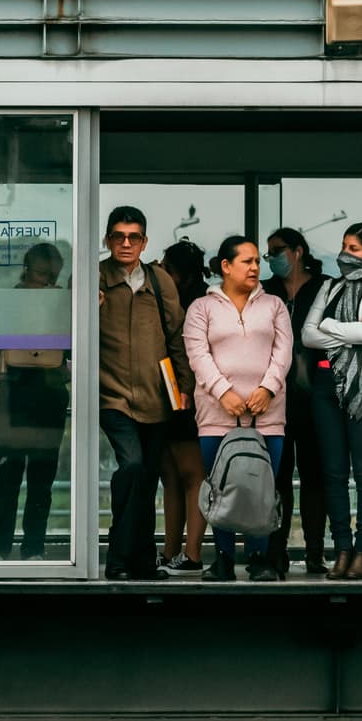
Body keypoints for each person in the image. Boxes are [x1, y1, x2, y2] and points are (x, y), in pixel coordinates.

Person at [183, 236, 292, 582]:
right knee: (222, 487)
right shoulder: (201, 308)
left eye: (257, 261)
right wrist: (223, 393)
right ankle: (224, 559)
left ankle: (259, 558)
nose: (255, 267)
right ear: (226, 266)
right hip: (217, 415)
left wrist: (268, 389)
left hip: (267, 415)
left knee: (261, 487)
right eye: (247, 261)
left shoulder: (274, 305)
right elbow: (197, 355)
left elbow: (283, 352)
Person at [301, 222, 362, 581]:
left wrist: (328, 326)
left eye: (354, 248)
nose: (346, 254)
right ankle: (341, 549)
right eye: (344, 246)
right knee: (333, 472)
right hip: (327, 386)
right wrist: (348, 333)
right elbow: (307, 335)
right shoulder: (329, 286)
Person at [98, 207, 193, 581]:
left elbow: (176, 337)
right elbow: (71, 336)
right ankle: (117, 559)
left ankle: (141, 562)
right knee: (132, 466)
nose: (126, 243)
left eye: (133, 237)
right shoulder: (93, 278)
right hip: (112, 395)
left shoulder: (159, 280)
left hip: (157, 398)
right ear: (107, 240)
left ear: (144, 241)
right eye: (118, 236)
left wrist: (184, 388)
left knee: (149, 476)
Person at [0, 243, 69, 561]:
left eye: (51, 275)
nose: (46, 281)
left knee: (41, 477)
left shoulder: (61, 304)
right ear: (26, 270)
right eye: (41, 274)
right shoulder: (11, 302)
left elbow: (74, 347)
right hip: (16, 392)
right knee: (8, 474)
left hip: (45, 393)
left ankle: (33, 547)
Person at [261, 227, 329, 575]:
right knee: (277, 476)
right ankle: (276, 551)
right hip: (274, 397)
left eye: (277, 250)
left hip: (316, 396)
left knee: (315, 476)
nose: (272, 258)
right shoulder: (265, 291)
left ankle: (315, 552)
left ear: (298, 251)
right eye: (268, 253)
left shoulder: (324, 288)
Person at [157, 239, 209, 577]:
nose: (162, 274)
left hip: (189, 397)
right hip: (171, 395)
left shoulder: (197, 304)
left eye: (168, 269)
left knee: (191, 476)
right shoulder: (173, 300)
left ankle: (190, 553)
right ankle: (171, 551)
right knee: (172, 477)